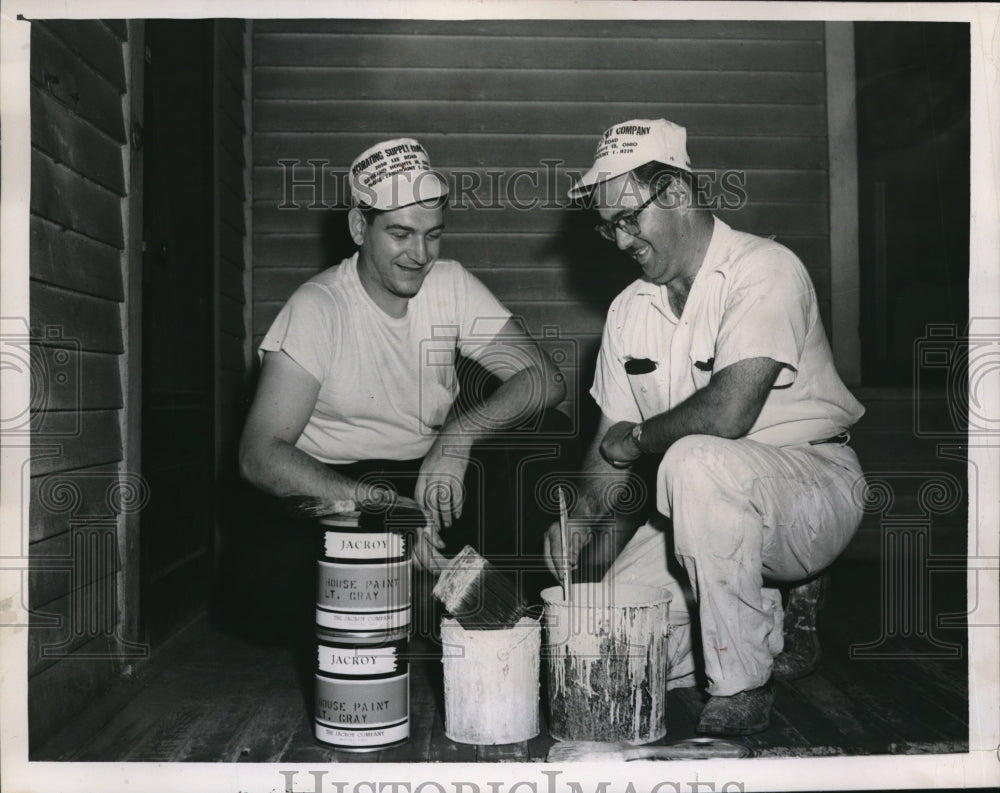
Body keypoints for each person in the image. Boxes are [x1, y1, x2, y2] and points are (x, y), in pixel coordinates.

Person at [544, 118, 866, 736]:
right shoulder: (627, 311)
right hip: (701, 513)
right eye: (607, 225)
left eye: (628, 219)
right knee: (608, 646)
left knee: (692, 458)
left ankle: (742, 684)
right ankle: (764, 616)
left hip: (813, 489)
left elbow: (727, 415)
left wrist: (636, 440)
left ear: (676, 195)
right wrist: (579, 520)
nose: (618, 241)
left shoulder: (765, 268)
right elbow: (606, 450)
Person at [239, 137, 568, 582]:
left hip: (427, 472)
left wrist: (456, 439)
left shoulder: (449, 284)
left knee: (540, 431)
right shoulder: (318, 306)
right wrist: (382, 506)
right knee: (275, 570)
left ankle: (503, 625)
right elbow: (259, 456)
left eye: (432, 235)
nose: (420, 255)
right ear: (360, 228)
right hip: (340, 482)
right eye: (400, 234)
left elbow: (545, 379)